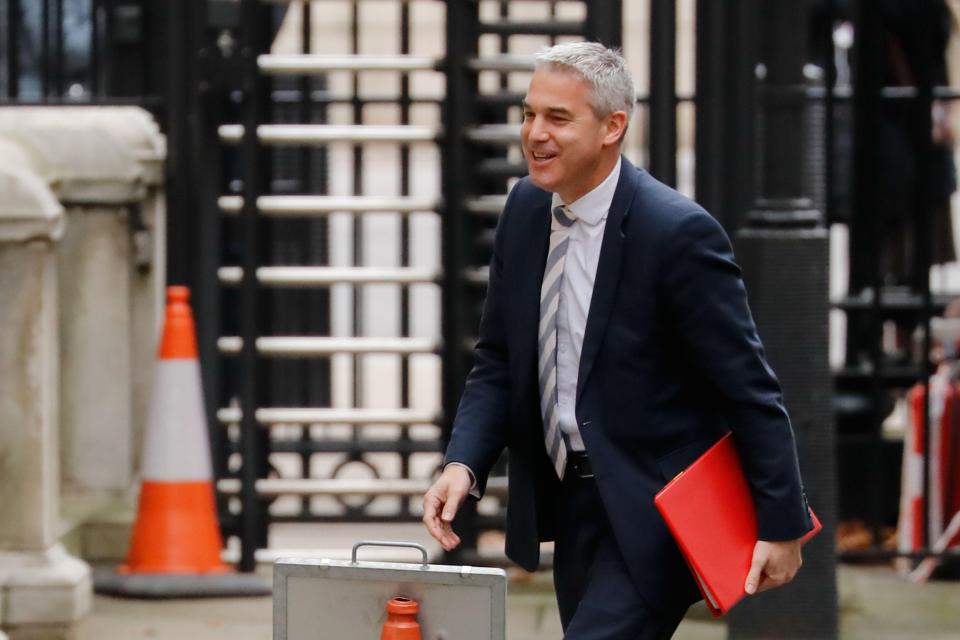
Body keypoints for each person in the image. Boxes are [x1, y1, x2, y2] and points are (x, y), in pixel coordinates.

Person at [422, 42, 813, 639]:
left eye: (557, 118)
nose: (534, 134)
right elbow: (499, 359)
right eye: (529, 114)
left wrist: (782, 524)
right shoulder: (526, 210)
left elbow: (749, 389)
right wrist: (463, 462)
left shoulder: (677, 233)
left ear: (613, 126)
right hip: (569, 504)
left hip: (652, 512)